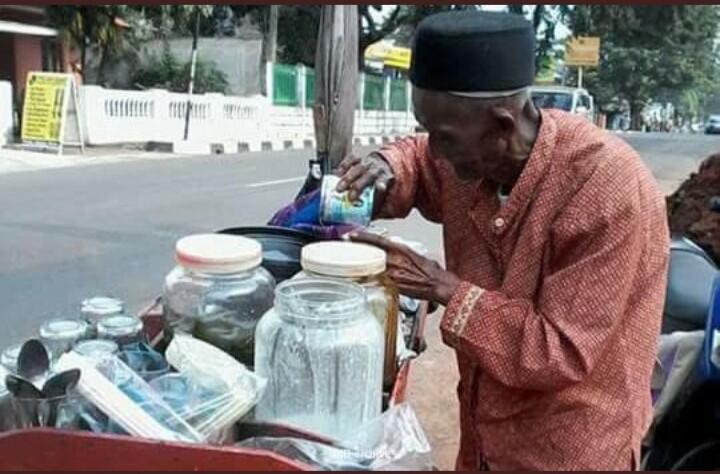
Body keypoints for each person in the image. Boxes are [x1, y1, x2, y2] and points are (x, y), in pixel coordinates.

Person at [337, 10, 669, 471]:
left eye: (444, 137)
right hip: (485, 439)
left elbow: (559, 352)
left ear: (503, 125)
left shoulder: (605, 188)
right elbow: (418, 160)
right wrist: (386, 165)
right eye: (427, 128)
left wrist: (443, 290)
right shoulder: (469, 153)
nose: (435, 150)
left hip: (569, 449)